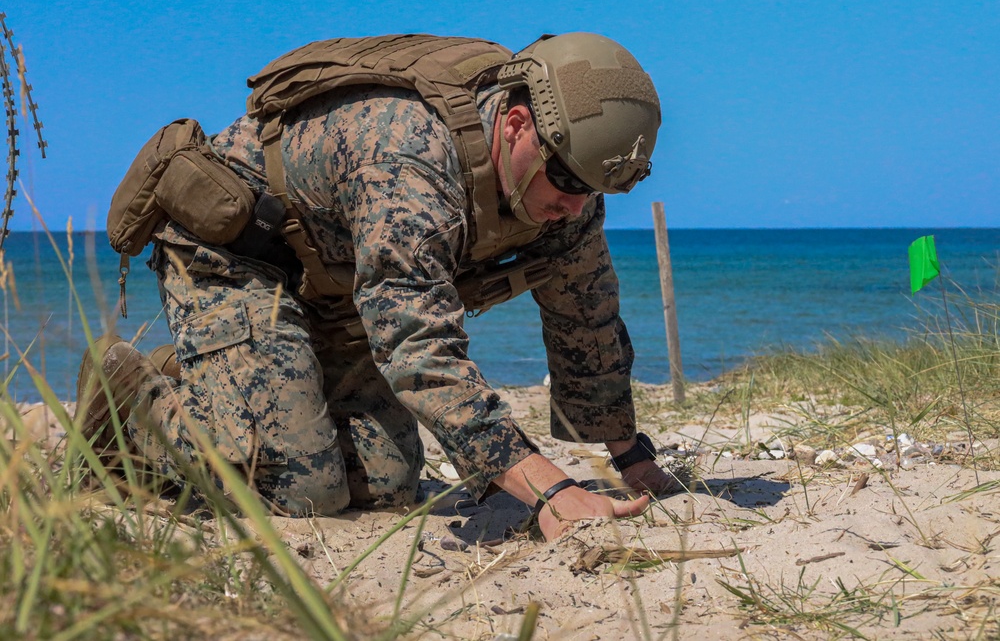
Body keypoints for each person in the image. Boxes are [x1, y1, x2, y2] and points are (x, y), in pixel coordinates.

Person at [78, 32, 688, 541]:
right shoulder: (410, 160)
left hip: (332, 284)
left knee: (387, 484)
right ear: (516, 122)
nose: (574, 204)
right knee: (301, 485)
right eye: (564, 178)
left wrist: (628, 456)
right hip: (231, 257)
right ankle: (126, 400)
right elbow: (419, 351)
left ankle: (222, 386)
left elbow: (587, 317)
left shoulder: (566, 189)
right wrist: (549, 489)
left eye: (593, 190)